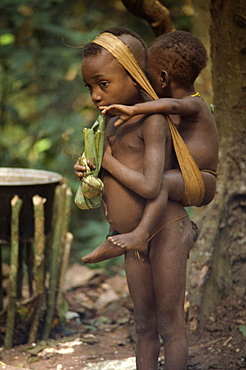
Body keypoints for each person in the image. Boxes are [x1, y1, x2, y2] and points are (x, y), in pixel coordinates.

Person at [74, 28, 193, 370]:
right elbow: (111, 174)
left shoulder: (151, 119)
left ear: (133, 75)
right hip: (131, 240)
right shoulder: (111, 121)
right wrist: (91, 171)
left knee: (170, 326)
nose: (96, 95)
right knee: (144, 326)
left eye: (103, 83)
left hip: (165, 229)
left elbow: (149, 185)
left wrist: (107, 161)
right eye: (90, 87)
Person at [96, 30, 219, 253]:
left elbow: (173, 106)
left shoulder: (194, 104)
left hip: (202, 180)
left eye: (148, 76)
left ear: (162, 78)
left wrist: (134, 109)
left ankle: (141, 234)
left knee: (161, 182)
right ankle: (117, 233)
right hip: (184, 177)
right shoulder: (164, 115)